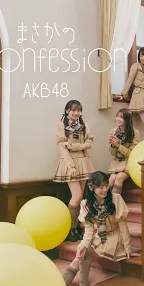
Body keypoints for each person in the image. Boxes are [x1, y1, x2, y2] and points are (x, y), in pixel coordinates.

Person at [62, 171, 133, 286]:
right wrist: (82, 246)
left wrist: (128, 247)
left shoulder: (115, 198)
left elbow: (123, 225)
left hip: (115, 237)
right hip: (100, 237)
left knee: (83, 254)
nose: (105, 189)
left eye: (106, 185)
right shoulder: (86, 204)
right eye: (101, 187)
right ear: (91, 188)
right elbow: (89, 231)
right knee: (83, 250)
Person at [53, 99, 95, 242]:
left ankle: (76, 227)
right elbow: (63, 148)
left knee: (81, 196)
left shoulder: (84, 125)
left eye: (78, 110)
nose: (76, 113)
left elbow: (89, 142)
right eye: (73, 110)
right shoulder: (61, 125)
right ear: (67, 111)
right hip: (69, 162)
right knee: (76, 197)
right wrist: (71, 167)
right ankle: (70, 228)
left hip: (83, 161)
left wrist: (75, 146)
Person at [113, 46, 144, 139]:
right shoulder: (136, 66)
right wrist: (123, 94)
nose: (143, 58)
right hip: (139, 95)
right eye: (141, 56)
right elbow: (130, 80)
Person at [107, 107, 140, 194]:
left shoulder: (135, 132)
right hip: (116, 162)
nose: (118, 119)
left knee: (119, 178)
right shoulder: (113, 131)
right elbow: (112, 153)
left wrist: (118, 146)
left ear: (127, 119)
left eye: (121, 117)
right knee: (111, 179)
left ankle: (115, 201)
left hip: (128, 163)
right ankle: (106, 200)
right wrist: (113, 145)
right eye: (117, 116)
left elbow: (131, 153)